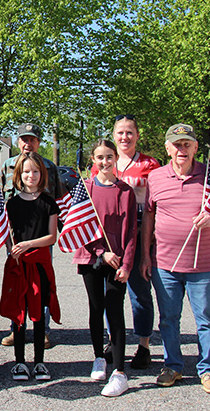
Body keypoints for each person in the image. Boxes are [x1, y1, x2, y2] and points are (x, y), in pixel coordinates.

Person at [142, 124, 210, 395]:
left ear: (195, 148)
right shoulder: (155, 177)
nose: (182, 149)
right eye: (176, 145)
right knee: (168, 318)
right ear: (167, 148)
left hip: (203, 265)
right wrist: (145, 256)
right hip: (165, 264)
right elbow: (149, 218)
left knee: (206, 319)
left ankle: (207, 369)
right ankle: (173, 365)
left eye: (187, 144)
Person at [72, 140, 136, 397]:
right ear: (93, 159)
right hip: (92, 256)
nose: (105, 162)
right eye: (100, 157)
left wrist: (127, 263)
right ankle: (99, 356)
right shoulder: (85, 189)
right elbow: (79, 225)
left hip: (118, 261)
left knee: (115, 309)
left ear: (115, 158)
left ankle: (119, 371)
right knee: (96, 307)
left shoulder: (126, 191)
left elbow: (132, 231)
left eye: (109, 157)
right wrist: (101, 251)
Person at [100, 115, 160, 369]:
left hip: (138, 234)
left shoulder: (150, 164)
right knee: (111, 295)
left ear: (137, 135)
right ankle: (113, 341)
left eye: (129, 132)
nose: (124, 137)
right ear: (113, 135)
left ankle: (143, 345)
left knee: (140, 293)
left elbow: (155, 205)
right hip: (112, 239)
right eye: (120, 132)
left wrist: (150, 240)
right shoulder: (105, 161)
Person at [0, 123, 65, 348]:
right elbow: (1, 202)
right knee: (17, 283)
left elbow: (56, 199)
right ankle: (15, 328)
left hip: (40, 239)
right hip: (16, 239)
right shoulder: (7, 166)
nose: (28, 144)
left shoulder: (49, 167)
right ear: (18, 142)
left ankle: (43, 330)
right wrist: (7, 241)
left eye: (33, 140)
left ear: (38, 142)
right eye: (24, 139)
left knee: (41, 286)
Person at [2, 152, 61, 383]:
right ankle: (19, 362)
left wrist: (28, 245)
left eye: (35, 171)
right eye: (26, 171)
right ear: (19, 175)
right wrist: (12, 247)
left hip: (40, 264)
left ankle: (39, 362)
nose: (31, 175)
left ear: (42, 174)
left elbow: (52, 237)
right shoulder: (12, 203)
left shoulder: (48, 202)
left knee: (38, 313)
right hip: (18, 265)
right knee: (19, 313)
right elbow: (8, 234)